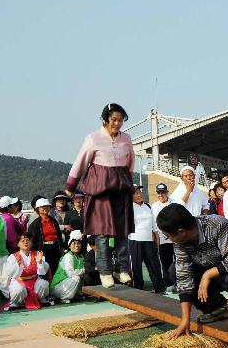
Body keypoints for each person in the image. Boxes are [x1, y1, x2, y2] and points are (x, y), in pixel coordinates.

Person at [158, 203, 228, 336]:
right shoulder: (180, 241)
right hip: (212, 267)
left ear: (181, 231)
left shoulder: (217, 224)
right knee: (174, 272)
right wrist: (185, 319)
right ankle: (218, 308)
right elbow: (183, 275)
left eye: (168, 235)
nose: (169, 239)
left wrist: (207, 274)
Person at [65, 103, 134, 289]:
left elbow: (130, 163)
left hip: (120, 190)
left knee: (122, 232)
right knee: (102, 234)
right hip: (101, 191)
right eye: (114, 120)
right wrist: (70, 186)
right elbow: (80, 162)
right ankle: (104, 272)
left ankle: (122, 270)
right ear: (105, 120)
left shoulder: (126, 138)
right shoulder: (93, 138)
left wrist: (129, 183)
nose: (117, 123)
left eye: (121, 120)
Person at [128, 185, 165, 293]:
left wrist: (157, 236)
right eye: (136, 193)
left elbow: (154, 223)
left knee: (154, 265)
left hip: (149, 241)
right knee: (136, 268)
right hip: (134, 240)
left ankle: (160, 289)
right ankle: (138, 290)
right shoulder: (129, 208)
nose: (139, 195)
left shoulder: (148, 206)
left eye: (139, 192)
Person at [2, 232, 49, 310]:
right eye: (22, 241)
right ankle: (17, 302)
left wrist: (40, 262)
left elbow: (43, 272)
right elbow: (10, 274)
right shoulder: (13, 257)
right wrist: (17, 265)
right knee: (18, 289)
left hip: (34, 280)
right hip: (19, 281)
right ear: (18, 244)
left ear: (31, 243)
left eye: (28, 240)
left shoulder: (37, 254)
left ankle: (39, 299)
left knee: (43, 284)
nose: (26, 242)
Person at [27, 198, 65, 277]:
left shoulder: (54, 221)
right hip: (43, 250)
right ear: (37, 209)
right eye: (42, 207)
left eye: (47, 206)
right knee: (45, 272)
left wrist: (61, 247)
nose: (45, 208)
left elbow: (59, 235)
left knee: (56, 269)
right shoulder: (34, 224)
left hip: (55, 248)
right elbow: (32, 241)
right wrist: (36, 252)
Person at [151, 183, 176, 290]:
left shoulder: (174, 203)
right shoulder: (154, 206)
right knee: (166, 263)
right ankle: (169, 283)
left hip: (175, 239)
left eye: (163, 192)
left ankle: (180, 282)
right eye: (159, 192)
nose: (161, 194)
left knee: (179, 261)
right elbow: (154, 225)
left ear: (167, 192)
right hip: (162, 240)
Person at [51, 230, 86, 303]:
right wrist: (83, 271)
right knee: (76, 277)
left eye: (78, 243)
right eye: (74, 243)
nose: (77, 246)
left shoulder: (81, 257)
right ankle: (64, 297)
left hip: (68, 284)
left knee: (81, 276)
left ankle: (75, 294)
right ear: (69, 246)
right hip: (58, 286)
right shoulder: (68, 256)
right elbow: (71, 273)